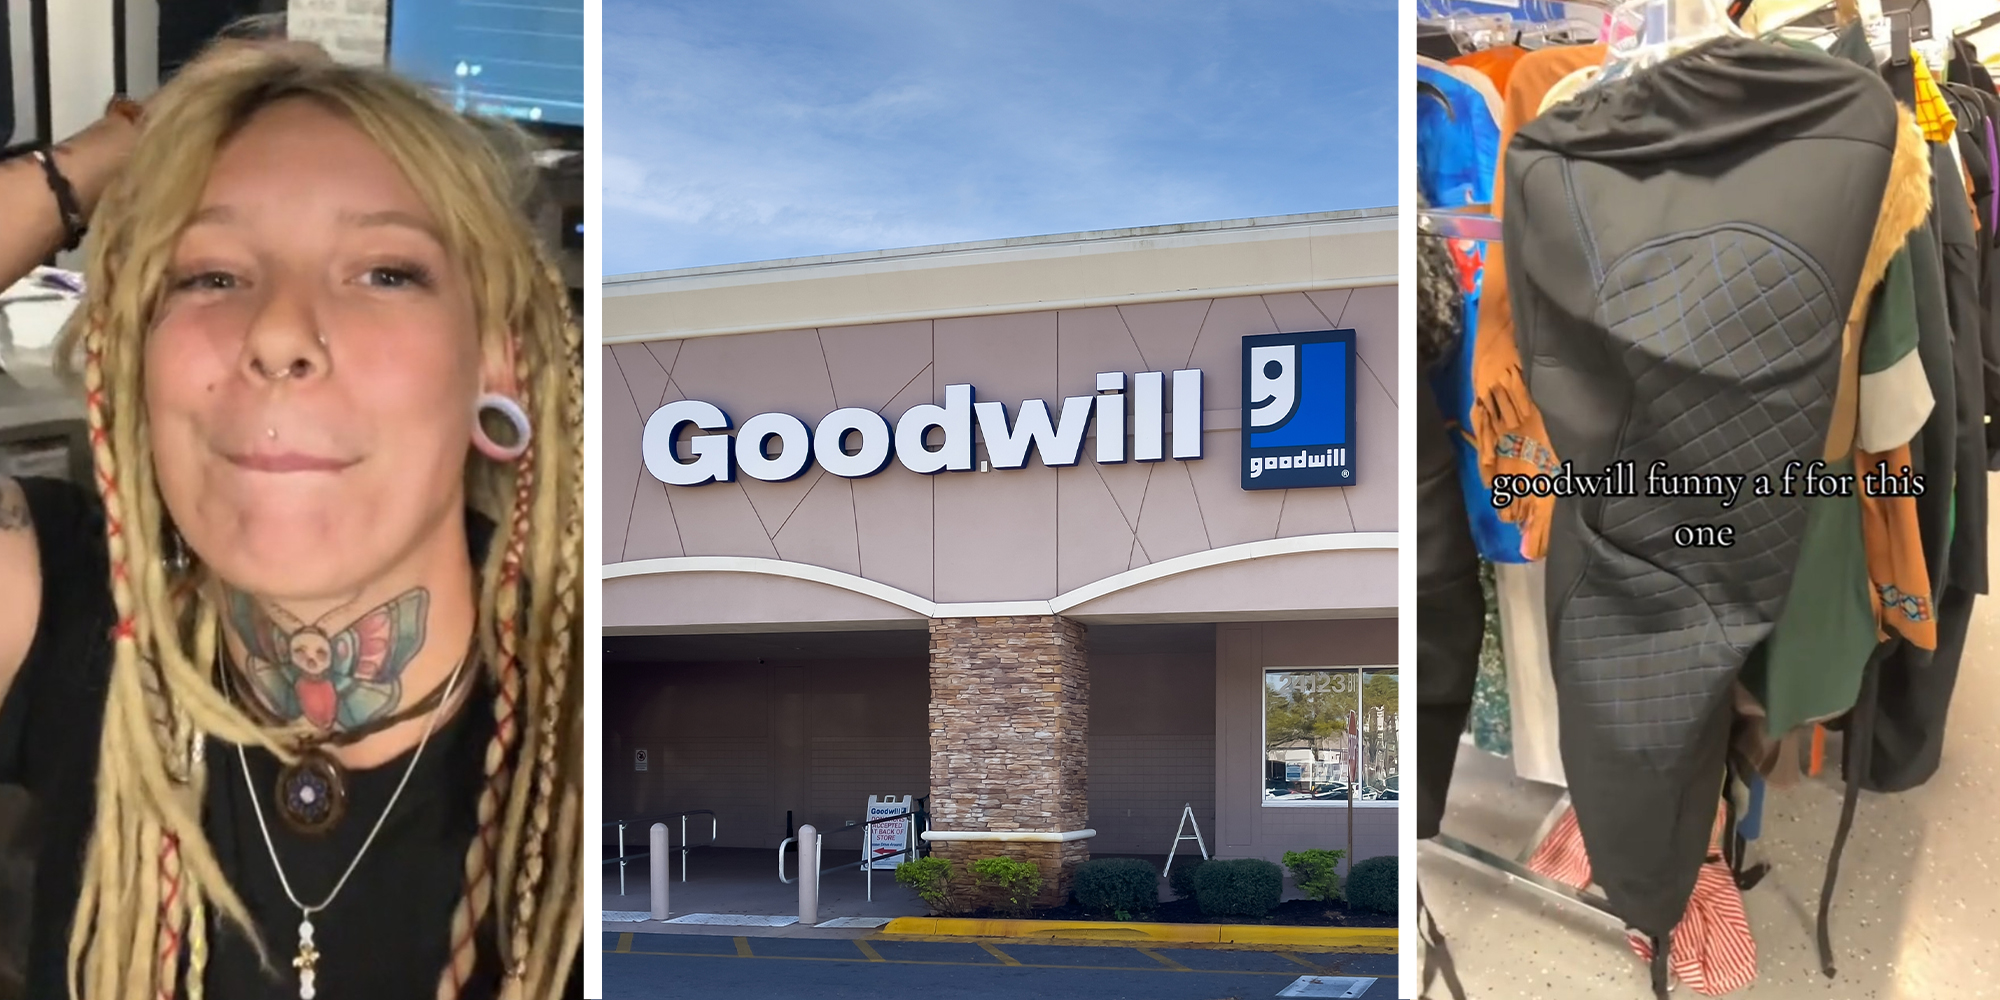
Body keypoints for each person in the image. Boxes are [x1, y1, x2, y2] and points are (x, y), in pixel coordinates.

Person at [0, 38, 583, 1000]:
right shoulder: (61, 601)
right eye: (209, 276)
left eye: (386, 272)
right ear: (131, 362)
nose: (276, 333)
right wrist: (101, 156)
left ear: (499, 363)